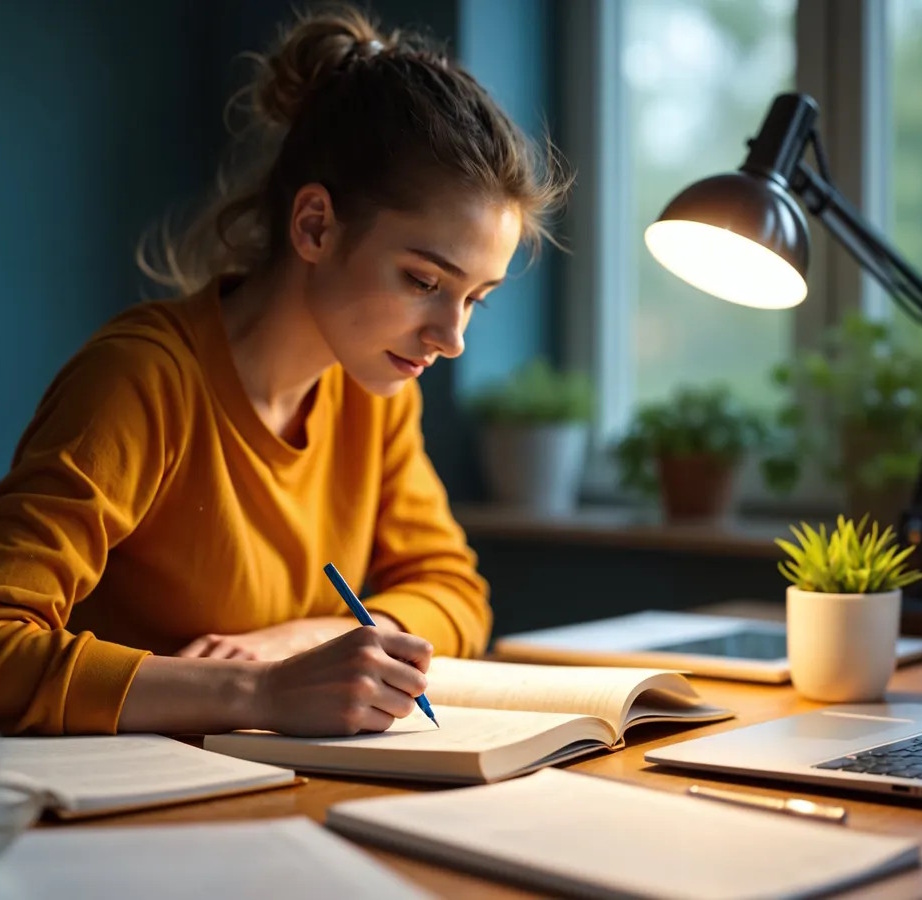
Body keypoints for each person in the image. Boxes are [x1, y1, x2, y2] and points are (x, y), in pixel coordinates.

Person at [0, 4, 570, 737]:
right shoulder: (144, 380)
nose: (451, 339)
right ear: (315, 226)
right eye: (424, 282)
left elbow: (456, 590)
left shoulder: (376, 390)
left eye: (476, 301)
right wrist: (255, 692)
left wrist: (306, 639)